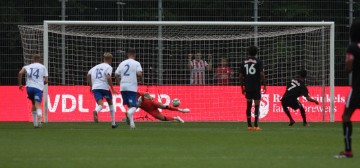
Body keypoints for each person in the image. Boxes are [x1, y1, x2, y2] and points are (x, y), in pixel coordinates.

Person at [335, 20, 360, 158]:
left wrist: (346, 66)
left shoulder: (352, 47)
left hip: (357, 88)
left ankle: (348, 150)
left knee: (346, 116)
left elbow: (348, 68)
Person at [87, 52, 118, 128]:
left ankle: (96, 111)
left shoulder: (95, 67)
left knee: (100, 104)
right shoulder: (108, 67)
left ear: (103, 59)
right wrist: (112, 88)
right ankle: (113, 123)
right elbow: (108, 77)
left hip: (95, 88)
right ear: (110, 59)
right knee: (110, 103)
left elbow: (88, 74)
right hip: (104, 87)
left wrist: (91, 86)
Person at [239, 46, 266, 131]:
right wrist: (264, 84)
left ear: (248, 52)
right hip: (256, 86)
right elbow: (261, 74)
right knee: (257, 106)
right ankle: (256, 125)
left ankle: (249, 125)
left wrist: (242, 87)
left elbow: (240, 76)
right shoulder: (258, 61)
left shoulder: (244, 62)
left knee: (249, 105)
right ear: (256, 52)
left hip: (248, 87)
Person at [115, 48, 143, 129]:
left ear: (127, 54)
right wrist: (141, 80)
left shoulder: (122, 63)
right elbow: (139, 74)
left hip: (123, 87)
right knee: (135, 106)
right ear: (135, 54)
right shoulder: (136, 63)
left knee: (130, 106)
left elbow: (116, 75)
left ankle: (132, 125)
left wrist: (119, 83)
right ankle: (128, 113)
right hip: (131, 87)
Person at [18, 54, 48, 128]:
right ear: (39, 60)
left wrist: (20, 84)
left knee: (33, 103)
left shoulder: (27, 66)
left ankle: (35, 123)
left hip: (29, 88)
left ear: (32, 60)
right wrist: (41, 83)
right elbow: (46, 81)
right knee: (38, 104)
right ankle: (40, 119)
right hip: (38, 88)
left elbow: (20, 73)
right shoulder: (43, 67)